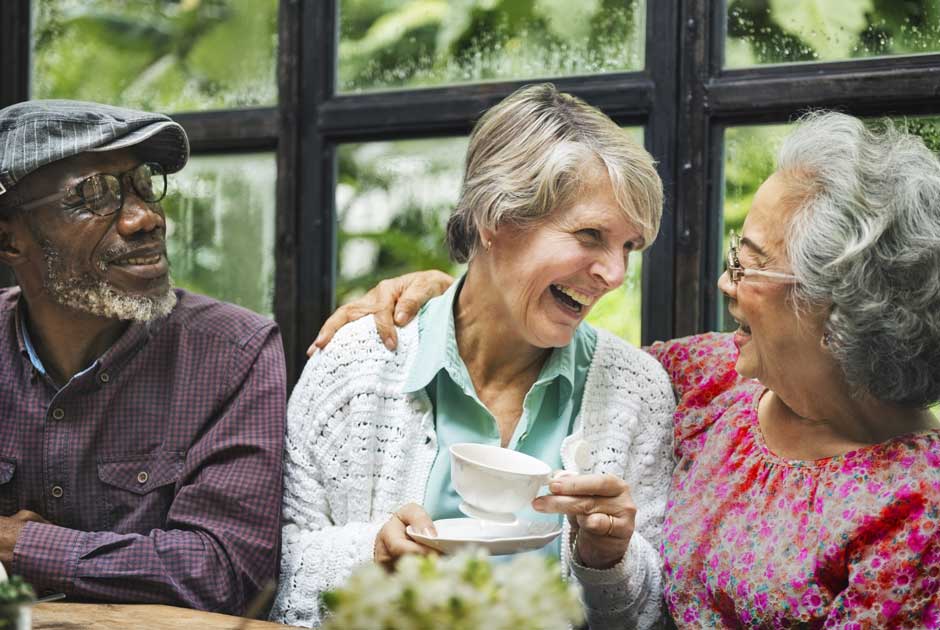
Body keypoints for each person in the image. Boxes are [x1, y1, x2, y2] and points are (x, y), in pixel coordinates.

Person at [312, 111, 940, 627]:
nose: (725, 282)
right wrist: (442, 294)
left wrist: (607, 559)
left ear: (834, 306)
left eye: (747, 265)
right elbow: (508, 325)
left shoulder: (918, 510)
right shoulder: (712, 380)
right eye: (591, 236)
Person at [270, 84, 676, 628]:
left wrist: (610, 561)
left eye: (629, 246)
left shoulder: (637, 389)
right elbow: (274, 568)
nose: (616, 275)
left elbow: (650, 613)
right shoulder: (356, 364)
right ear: (495, 218)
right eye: (590, 235)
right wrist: (370, 556)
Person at [0, 100, 286, 615]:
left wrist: (22, 547)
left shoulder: (235, 352)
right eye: (94, 195)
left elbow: (228, 572)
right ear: (8, 238)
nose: (146, 218)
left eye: (143, 185)